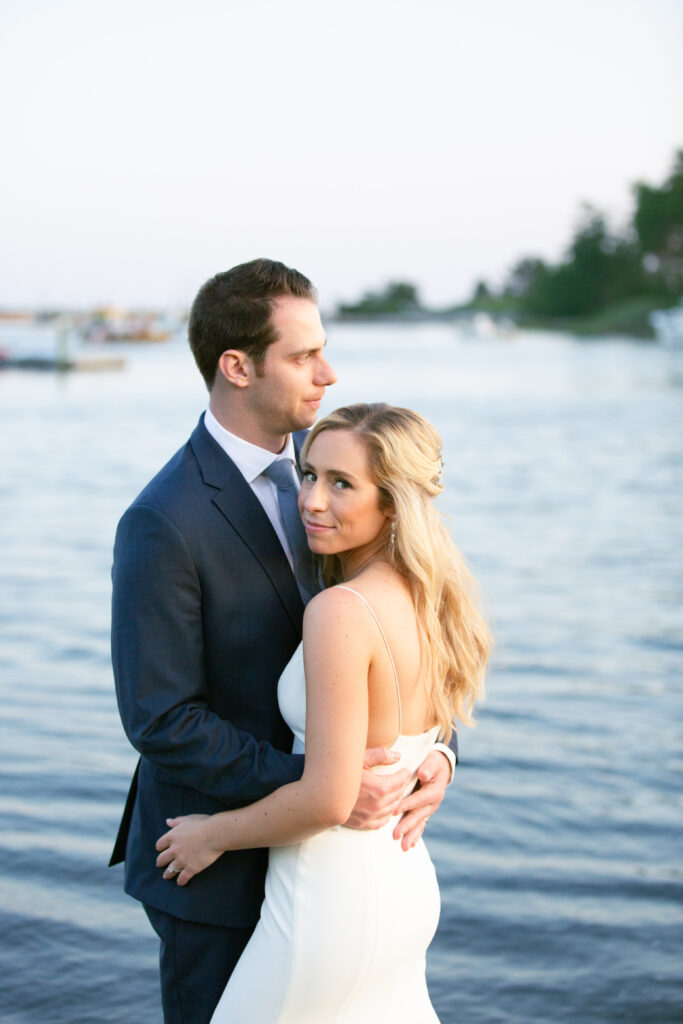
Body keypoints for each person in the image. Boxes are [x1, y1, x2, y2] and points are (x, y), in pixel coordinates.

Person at [110, 260, 458, 1024]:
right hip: (217, 864)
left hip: (343, 870)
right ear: (237, 366)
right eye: (303, 356)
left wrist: (432, 752)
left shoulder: (335, 463)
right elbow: (161, 718)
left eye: (323, 350)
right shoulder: (163, 521)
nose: (327, 373)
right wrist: (321, 785)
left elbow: (407, 613)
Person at [156, 402, 491, 1023]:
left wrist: (211, 835)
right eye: (309, 475)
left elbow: (329, 799)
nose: (311, 500)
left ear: (393, 503)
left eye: (341, 484)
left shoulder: (341, 610)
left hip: (326, 902)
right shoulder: (432, 595)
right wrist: (440, 755)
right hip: (401, 885)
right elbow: (419, 729)